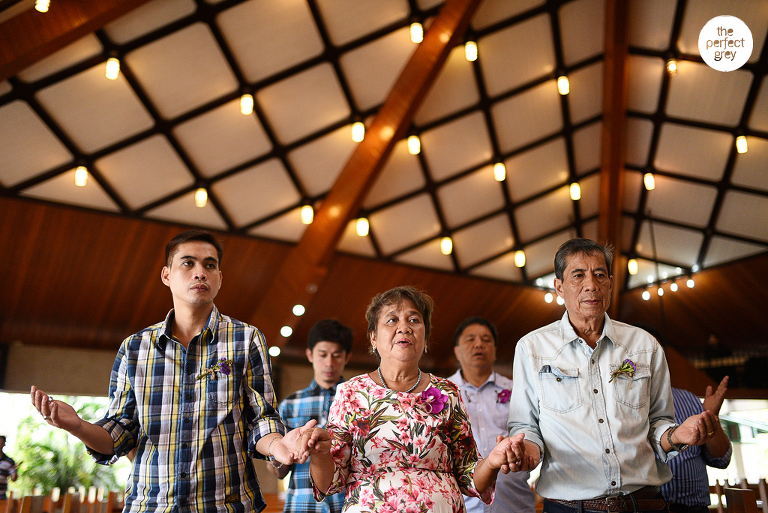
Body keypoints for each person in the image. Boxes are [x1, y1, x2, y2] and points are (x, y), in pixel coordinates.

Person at [30, 229, 314, 513]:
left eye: (210, 265)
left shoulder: (246, 339)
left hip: (225, 506)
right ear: (167, 275)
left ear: (219, 279)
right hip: (151, 506)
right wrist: (78, 426)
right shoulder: (135, 348)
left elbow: (261, 419)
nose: (200, 273)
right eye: (188, 263)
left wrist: (279, 447)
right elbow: (119, 432)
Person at [507, 238, 720, 513]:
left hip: (644, 504)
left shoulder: (644, 345)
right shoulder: (532, 348)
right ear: (559, 287)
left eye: (599, 275)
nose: (591, 285)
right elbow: (526, 426)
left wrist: (678, 434)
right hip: (569, 507)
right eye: (578, 275)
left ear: (610, 282)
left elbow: (659, 423)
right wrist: (527, 450)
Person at [298, 286, 527, 513]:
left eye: (414, 320)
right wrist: (319, 454)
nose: (404, 328)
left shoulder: (448, 392)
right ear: (374, 338)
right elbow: (329, 483)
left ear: (425, 338)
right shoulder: (350, 392)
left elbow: (469, 477)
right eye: (392, 320)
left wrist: (492, 462)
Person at [632, 325, 733, 513]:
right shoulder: (615, 408)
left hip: (693, 509)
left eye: (655, 350)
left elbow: (721, 459)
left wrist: (711, 418)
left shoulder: (688, 399)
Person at [448, 317, 536, 513]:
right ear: (457, 351)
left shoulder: (517, 391)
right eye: (470, 339)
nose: (479, 344)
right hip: (461, 505)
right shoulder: (441, 395)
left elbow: (532, 435)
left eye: (486, 339)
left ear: (495, 351)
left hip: (513, 503)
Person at [269, 319, 353, 513]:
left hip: (346, 506)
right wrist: (279, 456)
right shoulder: (289, 404)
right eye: (322, 355)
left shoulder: (357, 401)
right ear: (310, 354)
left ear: (347, 357)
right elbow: (278, 473)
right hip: (301, 505)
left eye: (337, 355)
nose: (329, 363)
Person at [0, 435, 18, 500]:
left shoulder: (9, 461)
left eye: (2, 442)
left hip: (1, 496)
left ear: (4, 444)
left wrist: (15, 470)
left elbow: (13, 479)